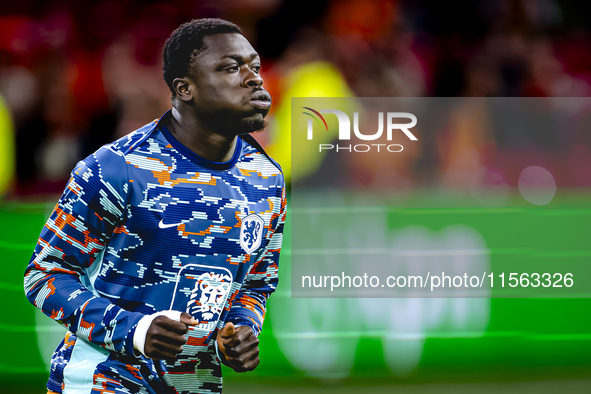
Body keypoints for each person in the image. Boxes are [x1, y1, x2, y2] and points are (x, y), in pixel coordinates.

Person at [24, 18, 286, 394]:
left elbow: (257, 284)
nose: (254, 78)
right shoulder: (118, 167)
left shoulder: (268, 179)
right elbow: (44, 275)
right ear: (185, 89)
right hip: (101, 380)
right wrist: (134, 330)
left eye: (255, 67)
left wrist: (241, 329)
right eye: (231, 68)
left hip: (196, 384)